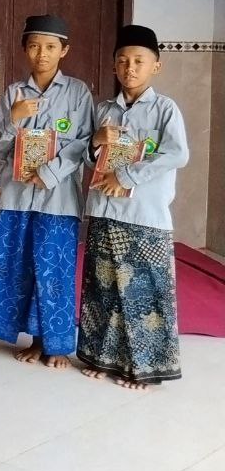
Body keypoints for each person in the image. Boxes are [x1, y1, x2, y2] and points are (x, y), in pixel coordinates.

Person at [0, 14, 93, 369]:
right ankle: (26, 337)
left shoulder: (77, 92)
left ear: (63, 51)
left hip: (58, 198)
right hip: (16, 197)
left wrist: (50, 172)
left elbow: (83, 143)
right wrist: (13, 118)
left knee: (54, 269)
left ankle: (54, 344)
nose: (42, 54)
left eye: (50, 47)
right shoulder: (14, 92)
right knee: (17, 265)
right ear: (24, 49)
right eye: (34, 46)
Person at [78, 25, 188, 389]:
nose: (130, 68)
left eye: (139, 61)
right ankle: (102, 358)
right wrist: (95, 142)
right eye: (123, 61)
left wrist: (126, 176)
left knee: (145, 295)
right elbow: (88, 158)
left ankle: (146, 369)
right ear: (113, 66)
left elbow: (177, 154)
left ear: (156, 65)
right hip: (104, 211)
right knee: (104, 289)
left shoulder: (165, 109)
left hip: (145, 215)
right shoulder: (104, 109)